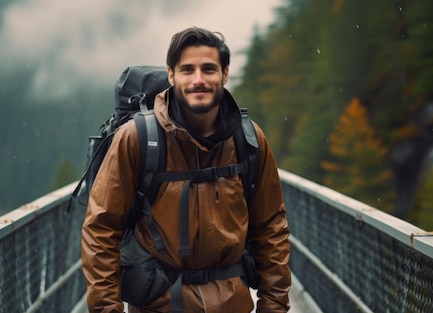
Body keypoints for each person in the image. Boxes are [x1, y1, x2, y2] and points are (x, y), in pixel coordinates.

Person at [81, 26, 291, 313]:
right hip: (158, 305)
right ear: (171, 75)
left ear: (225, 74)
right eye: (187, 70)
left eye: (208, 69)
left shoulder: (248, 140)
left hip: (233, 305)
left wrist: (275, 305)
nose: (198, 80)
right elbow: (101, 228)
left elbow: (271, 227)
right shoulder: (137, 139)